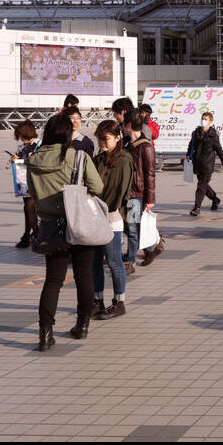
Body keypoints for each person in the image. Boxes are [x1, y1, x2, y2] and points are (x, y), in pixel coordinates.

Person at [27, 112, 104, 350]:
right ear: (67, 134)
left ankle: (45, 334)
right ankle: (82, 326)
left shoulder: (33, 159)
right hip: (78, 222)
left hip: (51, 225)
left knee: (53, 281)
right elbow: (98, 187)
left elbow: (31, 191)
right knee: (84, 275)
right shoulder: (77, 157)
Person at [91, 119, 133, 320]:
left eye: (105, 139)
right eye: (99, 139)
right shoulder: (98, 159)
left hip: (111, 218)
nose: (102, 143)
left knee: (114, 261)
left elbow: (117, 193)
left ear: (118, 138)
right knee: (95, 262)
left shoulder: (124, 160)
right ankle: (97, 300)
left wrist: (97, 204)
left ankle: (119, 302)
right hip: (95, 217)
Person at [125, 113, 161, 270]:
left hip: (137, 195)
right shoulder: (128, 145)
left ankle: (130, 261)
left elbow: (150, 174)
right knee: (134, 227)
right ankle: (151, 248)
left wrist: (150, 199)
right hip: (128, 193)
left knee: (133, 229)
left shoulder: (146, 147)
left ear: (129, 126)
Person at [187, 111, 223, 215]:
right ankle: (215, 199)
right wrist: (188, 154)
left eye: (206, 119)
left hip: (207, 165)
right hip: (197, 163)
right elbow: (191, 144)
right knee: (204, 186)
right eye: (202, 118)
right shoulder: (196, 132)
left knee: (201, 186)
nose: (203, 121)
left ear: (210, 121)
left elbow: (219, 150)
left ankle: (197, 208)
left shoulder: (213, 135)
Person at [8, 120, 40, 247]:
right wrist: (13, 159)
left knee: (30, 208)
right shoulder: (21, 147)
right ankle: (28, 234)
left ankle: (35, 234)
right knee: (27, 208)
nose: (20, 139)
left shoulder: (40, 144)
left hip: (37, 181)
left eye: (20, 135)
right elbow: (16, 162)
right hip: (24, 182)